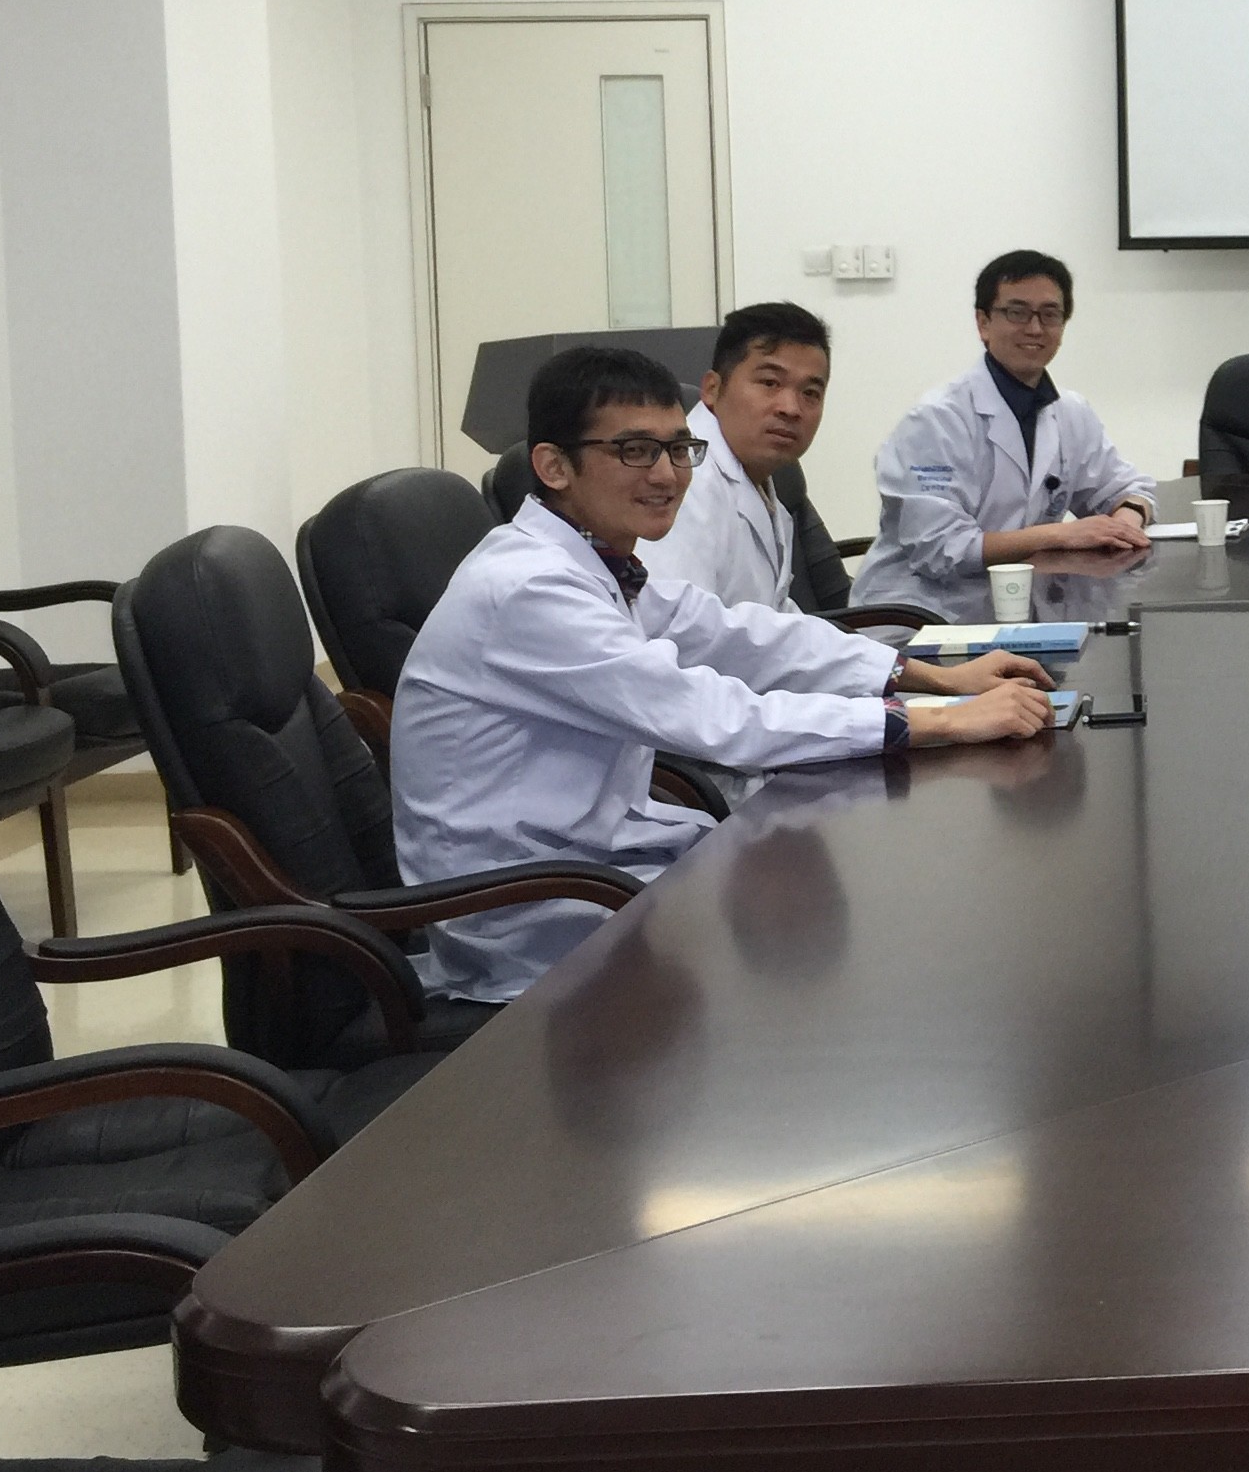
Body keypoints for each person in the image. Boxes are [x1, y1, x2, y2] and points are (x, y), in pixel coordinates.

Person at [393, 347, 1057, 1004]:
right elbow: (712, 714)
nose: (667, 474)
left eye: (679, 449)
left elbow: (737, 634)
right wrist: (940, 722)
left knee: (856, 917)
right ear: (553, 466)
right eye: (635, 451)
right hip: (535, 916)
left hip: (599, 867)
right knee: (837, 956)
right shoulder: (530, 589)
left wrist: (930, 677)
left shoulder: (591, 564)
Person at [856, 250, 1156, 621]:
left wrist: (1126, 522)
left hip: (1020, 611)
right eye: (1017, 312)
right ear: (983, 323)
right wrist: (1060, 535)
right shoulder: (936, 420)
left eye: (1050, 314)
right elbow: (941, 549)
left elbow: (1129, 487)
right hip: (921, 616)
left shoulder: (1070, 412)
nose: (1035, 329)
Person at [636, 302, 835, 613]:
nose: (791, 408)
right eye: (770, 383)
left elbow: (775, 614)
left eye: (810, 393)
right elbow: (675, 623)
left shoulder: (762, 480)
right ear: (712, 389)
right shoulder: (681, 484)